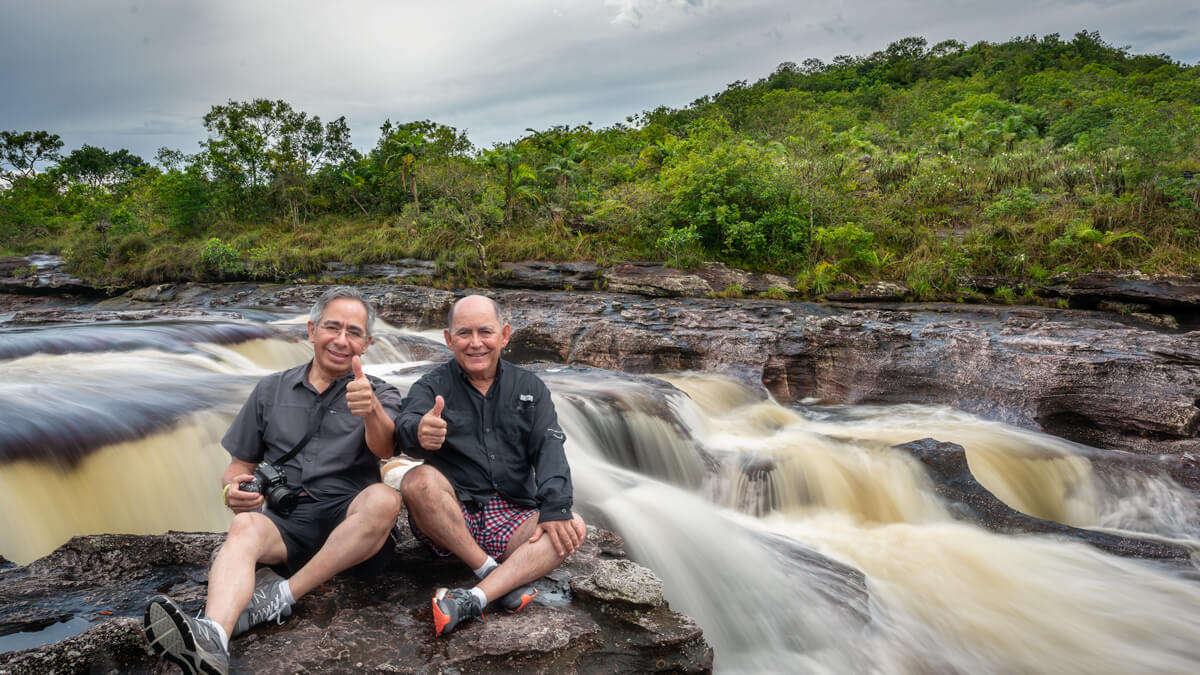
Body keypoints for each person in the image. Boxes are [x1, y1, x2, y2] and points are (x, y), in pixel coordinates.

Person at [143, 287, 403, 675]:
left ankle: (280, 597)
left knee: (384, 498)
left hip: (350, 523)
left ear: (367, 343)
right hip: (287, 518)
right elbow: (238, 465)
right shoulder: (270, 390)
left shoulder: (381, 393)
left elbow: (386, 448)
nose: (341, 340)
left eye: (353, 332)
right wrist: (233, 491)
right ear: (312, 330)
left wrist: (371, 411)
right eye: (332, 327)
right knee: (244, 525)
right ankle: (213, 637)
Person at [396, 294, 586, 637]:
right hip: (453, 515)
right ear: (448, 338)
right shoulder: (430, 386)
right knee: (416, 480)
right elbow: (406, 425)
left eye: (485, 332)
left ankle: (473, 597)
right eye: (464, 333)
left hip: (513, 514)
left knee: (572, 526)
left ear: (504, 335)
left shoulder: (530, 388)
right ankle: (492, 573)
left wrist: (556, 505)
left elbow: (549, 446)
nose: (475, 343)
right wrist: (419, 431)